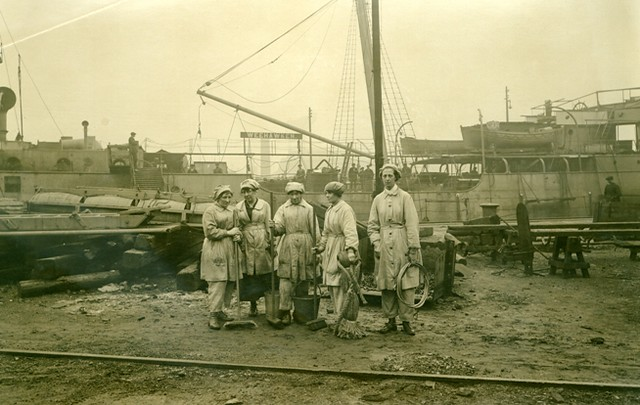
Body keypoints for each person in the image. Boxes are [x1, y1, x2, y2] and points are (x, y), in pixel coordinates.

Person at [367, 163, 422, 336]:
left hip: (402, 242)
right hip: (384, 243)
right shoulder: (378, 199)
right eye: (384, 176)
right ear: (381, 178)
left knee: (405, 283)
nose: (387, 179)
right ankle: (390, 320)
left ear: (396, 177)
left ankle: (406, 321)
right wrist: (377, 243)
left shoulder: (405, 197)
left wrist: (412, 247)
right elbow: (372, 225)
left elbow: (412, 223)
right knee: (387, 283)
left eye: (390, 176)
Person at [272, 181, 319, 325]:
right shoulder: (283, 209)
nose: (294, 196)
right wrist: (274, 227)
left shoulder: (309, 209)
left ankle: (300, 311)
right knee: (286, 277)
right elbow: (279, 228)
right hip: (289, 243)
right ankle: (285, 311)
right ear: (288, 195)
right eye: (291, 194)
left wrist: (318, 248)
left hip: (306, 243)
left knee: (304, 277)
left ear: (301, 194)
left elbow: (315, 230)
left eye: (297, 193)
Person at [314, 181, 359, 324]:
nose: (327, 196)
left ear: (338, 194)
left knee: (341, 283)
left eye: (329, 193)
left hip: (341, 247)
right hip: (330, 248)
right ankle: (338, 316)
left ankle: (344, 318)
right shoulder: (330, 209)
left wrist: (351, 250)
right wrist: (321, 247)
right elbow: (326, 232)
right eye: (326, 193)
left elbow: (351, 231)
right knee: (332, 284)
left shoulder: (345, 209)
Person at [200, 185, 243, 330]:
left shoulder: (233, 210)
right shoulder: (210, 211)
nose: (227, 199)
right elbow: (209, 232)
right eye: (224, 197)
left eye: (229, 197)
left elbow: (238, 227)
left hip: (230, 248)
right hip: (215, 247)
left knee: (229, 280)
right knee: (218, 280)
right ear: (217, 198)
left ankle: (220, 311)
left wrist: (238, 234)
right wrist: (229, 233)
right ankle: (212, 314)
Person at [235, 179, 274, 317]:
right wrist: (239, 238)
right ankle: (253, 305)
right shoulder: (238, 207)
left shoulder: (264, 205)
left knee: (265, 272)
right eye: (244, 191)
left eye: (249, 191)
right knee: (249, 274)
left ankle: (270, 305)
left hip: (261, 238)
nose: (247, 194)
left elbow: (268, 223)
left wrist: (270, 242)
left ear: (255, 191)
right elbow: (237, 225)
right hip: (247, 240)